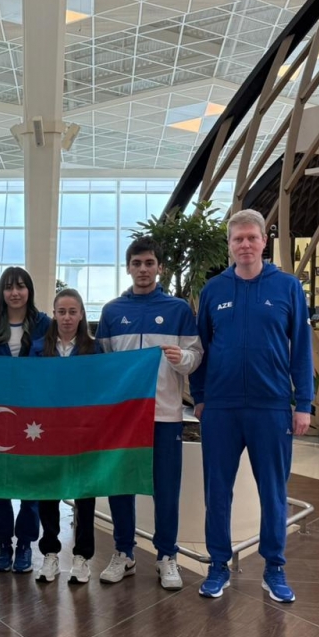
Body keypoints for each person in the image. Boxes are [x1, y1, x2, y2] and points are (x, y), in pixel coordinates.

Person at [191, 209, 313, 603]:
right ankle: (218, 565)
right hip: (221, 409)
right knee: (217, 492)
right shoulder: (213, 291)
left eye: (251, 238)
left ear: (264, 241)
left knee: (273, 492)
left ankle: (274, 568)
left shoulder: (288, 287)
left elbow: (302, 349)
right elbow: (199, 349)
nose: (245, 244)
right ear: (229, 245)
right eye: (237, 239)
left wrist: (303, 402)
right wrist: (201, 396)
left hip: (271, 406)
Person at [95, 235, 202, 588]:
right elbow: (102, 364)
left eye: (149, 263)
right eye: (137, 263)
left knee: (166, 488)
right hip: (123, 418)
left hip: (165, 416)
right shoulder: (112, 312)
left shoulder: (178, 310)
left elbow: (196, 356)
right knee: (120, 485)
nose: (143, 269)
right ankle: (123, 552)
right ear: (128, 268)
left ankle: (167, 556)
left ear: (160, 267)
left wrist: (182, 358)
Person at [0, 266, 51, 574]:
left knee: (30, 482)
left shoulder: (44, 324)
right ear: (2, 292)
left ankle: (24, 543)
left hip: (33, 417)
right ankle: (3, 542)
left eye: (21, 286)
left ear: (29, 291)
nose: (15, 293)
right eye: (9, 287)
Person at [29, 288, 100, 584]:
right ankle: (50, 553)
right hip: (48, 431)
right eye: (62, 312)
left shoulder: (94, 349)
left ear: (81, 314)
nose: (67, 317)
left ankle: (82, 557)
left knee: (84, 494)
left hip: (83, 432)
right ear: (54, 314)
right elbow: (30, 387)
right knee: (49, 492)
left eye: (73, 312)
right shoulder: (38, 348)